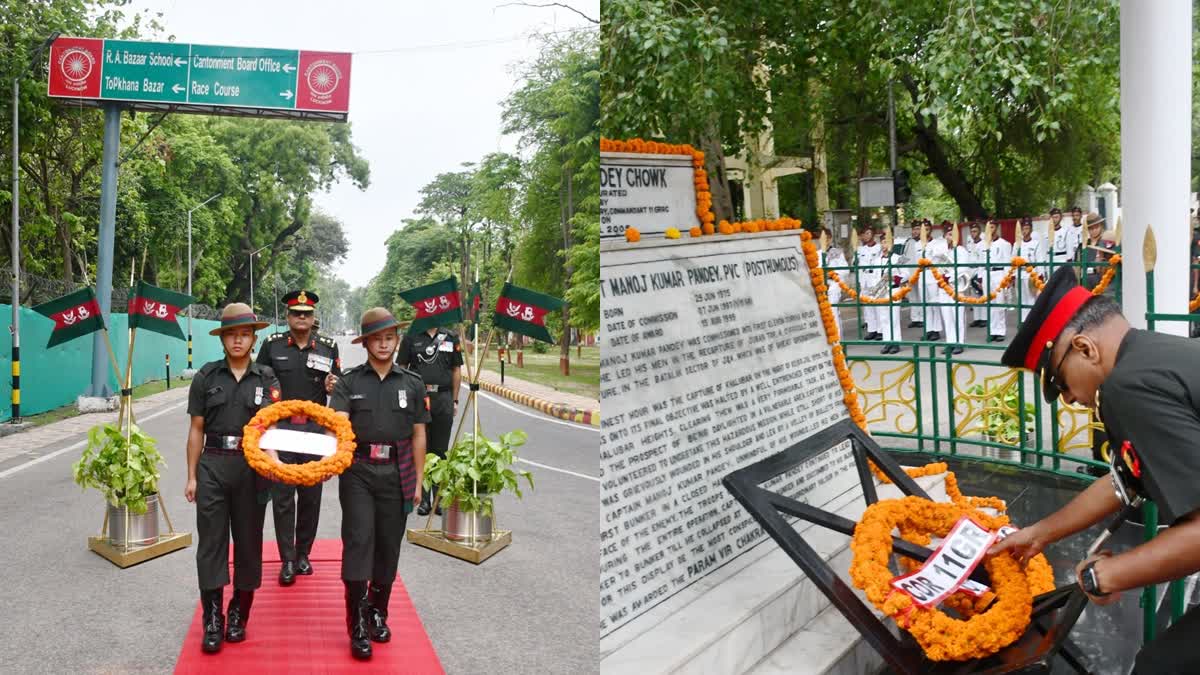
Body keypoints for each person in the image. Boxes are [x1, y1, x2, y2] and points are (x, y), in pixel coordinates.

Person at [990, 265, 1200, 674]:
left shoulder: (1128, 387)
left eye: (1059, 381)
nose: (1068, 398)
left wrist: (1106, 576)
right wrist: (1038, 534)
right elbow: (1123, 479)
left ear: (1085, 348)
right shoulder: (1150, 355)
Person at [330, 307, 430, 660]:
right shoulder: (350, 382)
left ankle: (377, 611)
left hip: (398, 470)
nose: (384, 344)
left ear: (396, 340)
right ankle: (356, 621)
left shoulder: (412, 384)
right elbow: (339, 423)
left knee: (388, 544)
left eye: (389, 338)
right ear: (367, 342)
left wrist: (419, 481)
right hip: (357, 471)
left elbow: (419, 435)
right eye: (377, 338)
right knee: (359, 540)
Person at [186, 303, 281, 653]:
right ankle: (212, 617)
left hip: (252, 467)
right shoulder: (207, 377)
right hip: (213, 465)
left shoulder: (267, 378)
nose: (238, 340)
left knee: (248, 542)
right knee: (211, 543)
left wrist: (274, 464)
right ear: (223, 338)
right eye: (231, 334)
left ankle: (239, 611)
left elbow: (271, 427)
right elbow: (196, 430)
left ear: (253, 338)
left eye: (244, 334)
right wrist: (192, 476)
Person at [255, 290, 341, 584]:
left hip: (315, 432)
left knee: (310, 498)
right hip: (281, 431)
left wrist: (333, 387)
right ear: (288, 317)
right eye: (296, 313)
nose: (301, 318)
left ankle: (304, 553)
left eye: (306, 313)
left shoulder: (328, 347)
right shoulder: (272, 345)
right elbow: (261, 381)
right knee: (282, 499)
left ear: (313, 317)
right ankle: (287, 559)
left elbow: (337, 385)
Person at [397, 319, 464, 516]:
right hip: (418, 397)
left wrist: (455, 400)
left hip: (443, 398)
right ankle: (424, 499)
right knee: (421, 449)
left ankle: (440, 498)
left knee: (441, 449)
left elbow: (456, 369)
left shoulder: (450, 336)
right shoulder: (411, 336)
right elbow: (402, 367)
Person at [854, 225, 902, 354]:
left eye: (887, 242)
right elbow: (875, 276)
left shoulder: (898, 258)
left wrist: (894, 278)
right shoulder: (877, 260)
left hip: (893, 290)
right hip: (881, 291)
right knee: (884, 318)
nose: (884, 245)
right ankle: (887, 342)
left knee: (893, 318)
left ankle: (896, 342)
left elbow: (906, 274)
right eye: (882, 242)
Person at [926, 220, 965, 354]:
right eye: (948, 235)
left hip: (957, 286)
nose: (950, 237)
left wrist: (949, 277)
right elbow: (934, 264)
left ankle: (959, 343)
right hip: (943, 287)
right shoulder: (941, 251)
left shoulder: (961, 250)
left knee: (957, 315)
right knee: (946, 315)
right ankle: (950, 342)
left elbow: (964, 269)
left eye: (952, 234)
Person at [982, 220, 1013, 343]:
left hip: (998, 273)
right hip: (987, 273)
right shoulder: (983, 244)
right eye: (989, 227)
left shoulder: (1004, 244)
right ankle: (991, 330)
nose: (991, 229)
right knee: (988, 303)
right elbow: (980, 261)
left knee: (999, 303)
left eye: (993, 227)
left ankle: (1000, 331)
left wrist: (1007, 278)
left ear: (997, 228)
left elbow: (1007, 262)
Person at [1016, 216, 1047, 321]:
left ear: (1031, 230)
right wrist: (1012, 276)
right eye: (1023, 229)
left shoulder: (1036, 244)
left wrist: (1040, 275)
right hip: (1020, 274)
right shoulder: (1017, 244)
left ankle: (1031, 320)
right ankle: (1022, 320)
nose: (1025, 231)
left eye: (1027, 228)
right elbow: (1012, 260)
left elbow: (1039, 260)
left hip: (1031, 274)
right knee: (1021, 299)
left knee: (1031, 299)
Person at [965, 222, 988, 327]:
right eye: (972, 231)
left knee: (981, 294)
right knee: (974, 296)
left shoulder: (983, 244)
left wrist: (980, 276)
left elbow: (983, 261)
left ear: (979, 232)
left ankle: (984, 318)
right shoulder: (970, 244)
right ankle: (977, 318)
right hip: (970, 270)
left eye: (975, 231)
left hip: (979, 270)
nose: (973, 233)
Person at [904, 221, 926, 329]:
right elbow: (904, 256)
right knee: (912, 297)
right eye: (914, 229)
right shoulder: (908, 242)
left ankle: (922, 318)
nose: (915, 231)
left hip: (921, 273)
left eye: (918, 229)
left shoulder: (924, 242)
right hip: (910, 273)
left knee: (922, 296)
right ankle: (915, 318)